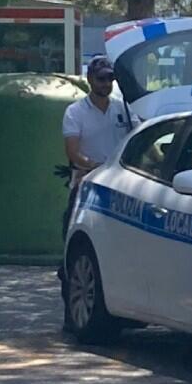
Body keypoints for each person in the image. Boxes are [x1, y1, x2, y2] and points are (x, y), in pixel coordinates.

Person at [59, 57, 138, 273]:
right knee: (76, 233)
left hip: (119, 184)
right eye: (101, 78)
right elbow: (73, 152)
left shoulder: (124, 109)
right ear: (90, 80)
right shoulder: (75, 112)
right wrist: (97, 166)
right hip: (87, 182)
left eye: (110, 78)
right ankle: (69, 271)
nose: (106, 83)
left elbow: (139, 141)